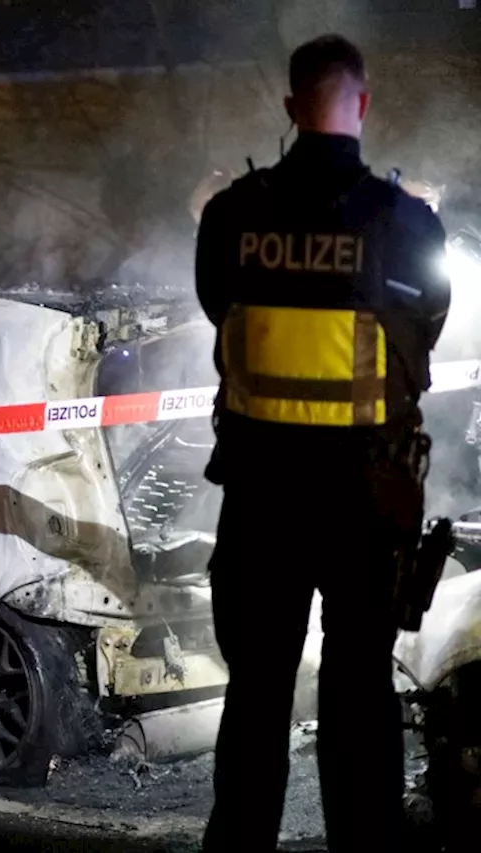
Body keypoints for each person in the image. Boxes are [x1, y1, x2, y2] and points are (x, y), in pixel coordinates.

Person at [195, 35, 450, 853]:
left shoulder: (233, 217)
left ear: (291, 108)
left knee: (258, 699)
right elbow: (426, 327)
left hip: (262, 501)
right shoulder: (408, 223)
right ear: (363, 107)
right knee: (358, 696)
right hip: (365, 503)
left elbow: (215, 308)